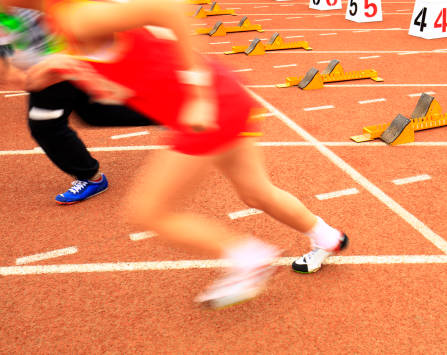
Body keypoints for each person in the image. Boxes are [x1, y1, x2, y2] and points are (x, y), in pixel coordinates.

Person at [0, 0, 348, 308]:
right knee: (256, 193)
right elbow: (128, 60)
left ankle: (249, 257)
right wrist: (64, 67)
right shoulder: (65, 23)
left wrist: (198, 95)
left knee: (147, 212)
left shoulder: (79, 16)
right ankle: (327, 237)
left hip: (204, 109)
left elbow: (168, 7)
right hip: (224, 95)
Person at [0, 7, 155, 204]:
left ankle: (91, 179)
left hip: (58, 65)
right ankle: (168, 112)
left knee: (45, 126)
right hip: (62, 62)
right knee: (95, 113)